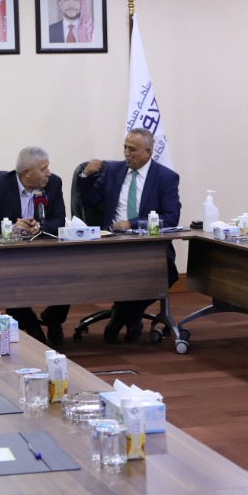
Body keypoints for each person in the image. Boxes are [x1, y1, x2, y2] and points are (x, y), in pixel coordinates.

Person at [78, 128, 181, 342]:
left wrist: (132, 223)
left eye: (132, 149)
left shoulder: (166, 177)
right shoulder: (113, 171)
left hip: (149, 243)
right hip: (113, 241)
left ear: (148, 152)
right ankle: (130, 316)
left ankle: (122, 314)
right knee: (122, 271)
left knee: (169, 272)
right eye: (125, 147)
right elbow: (89, 201)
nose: (126, 153)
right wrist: (85, 176)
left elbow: (171, 218)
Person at [0, 146, 70, 347]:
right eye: (44, 169)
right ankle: (30, 325)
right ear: (27, 172)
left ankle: (54, 318)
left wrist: (40, 226)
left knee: (70, 270)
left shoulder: (54, 183)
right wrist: (11, 227)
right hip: (11, 253)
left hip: (44, 249)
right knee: (13, 278)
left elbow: (59, 220)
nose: (49, 173)